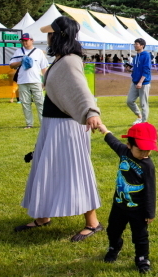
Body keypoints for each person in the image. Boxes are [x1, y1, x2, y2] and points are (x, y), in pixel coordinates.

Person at [15, 17, 103, 241]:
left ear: (59, 35)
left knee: (75, 170)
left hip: (66, 127)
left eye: (50, 34)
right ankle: (43, 216)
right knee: (45, 167)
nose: (47, 38)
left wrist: (91, 112)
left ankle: (92, 223)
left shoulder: (70, 60)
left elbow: (82, 90)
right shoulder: (61, 59)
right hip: (53, 125)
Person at [98, 122, 157, 274]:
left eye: (148, 150)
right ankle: (114, 247)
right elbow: (113, 141)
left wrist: (150, 212)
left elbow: (151, 189)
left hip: (138, 209)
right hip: (119, 204)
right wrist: (104, 129)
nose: (145, 154)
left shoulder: (147, 165)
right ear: (129, 145)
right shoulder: (124, 151)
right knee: (113, 229)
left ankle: (142, 258)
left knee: (140, 236)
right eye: (141, 150)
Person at [9, 33, 49, 129]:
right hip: (22, 81)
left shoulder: (38, 52)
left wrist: (45, 81)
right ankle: (29, 124)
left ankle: (43, 124)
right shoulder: (18, 52)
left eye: (26, 40)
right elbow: (11, 65)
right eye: (23, 40)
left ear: (32, 40)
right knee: (25, 103)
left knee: (40, 102)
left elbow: (44, 68)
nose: (24, 42)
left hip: (36, 81)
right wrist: (20, 61)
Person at [127, 38, 152, 124]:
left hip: (143, 83)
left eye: (136, 44)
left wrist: (141, 82)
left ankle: (144, 123)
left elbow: (146, 70)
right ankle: (139, 116)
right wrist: (130, 70)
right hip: (135, 82)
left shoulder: (146, 55)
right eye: (134, 44)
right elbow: (136, 69)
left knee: (143, 104)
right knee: (129, 101)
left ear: (142, 45)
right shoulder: (136, 56)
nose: (135, 45)